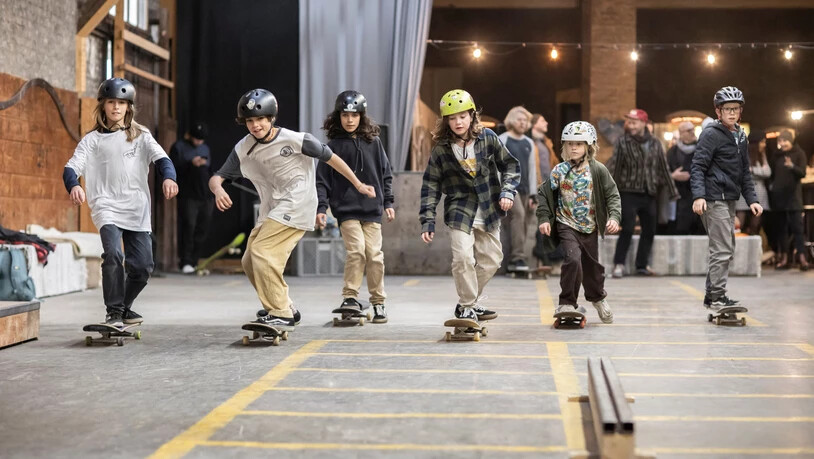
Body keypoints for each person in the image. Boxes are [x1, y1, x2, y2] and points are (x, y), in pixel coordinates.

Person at [209, 88, 376, 330]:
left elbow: (333, 159)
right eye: (250, 121)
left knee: (262, 252)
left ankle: (281, 312)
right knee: (248, 260)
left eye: (260, 120)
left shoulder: (297, 140)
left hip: (298, 204)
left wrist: (358, 184)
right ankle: (286, 306)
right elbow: (217, 177)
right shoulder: (244, 148)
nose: (255, 126)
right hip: (272, 209)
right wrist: (218, 190)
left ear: (271, 118)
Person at [63, 77, 178, 327]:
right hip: (106, 206)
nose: (116, 107)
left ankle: (124, 307)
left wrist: (169, 178)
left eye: (121, 103)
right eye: (111, 102)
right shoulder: (91, 140)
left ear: (129, 107)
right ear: (103, 106)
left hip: (137, 208)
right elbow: (71, 167)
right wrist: (73, 185)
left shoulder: (141, 136)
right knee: (113, 254)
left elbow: (163, 160)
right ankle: (114, 311)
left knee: (143, 267)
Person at [419, 89, 519, 326]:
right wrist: (427, 219)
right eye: (452, 118)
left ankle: (470, 301)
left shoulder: (488, 138)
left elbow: (511, 166)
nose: (458, 122)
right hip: (460, 209)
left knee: (492, 260)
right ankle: (466, 306)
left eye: (462, 116)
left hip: (489, 207)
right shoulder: (441, 150)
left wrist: (507, 191)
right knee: (463, 257)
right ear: (446, 121)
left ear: (472, 116)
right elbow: (431, 185)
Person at [316, 90, 395, 323]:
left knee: (375, 256)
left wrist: (388, 201)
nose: (349, 120)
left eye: (354, 115)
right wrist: (322, 208)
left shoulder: (374, 142)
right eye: (344, 115)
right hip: (347, 210)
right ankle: (350, 297)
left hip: (372, 210)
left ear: (362, 116)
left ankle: (378, 303)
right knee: (357, 251)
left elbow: (385, 174)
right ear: (338, 116)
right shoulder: (332, 147)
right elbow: (322, 180)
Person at [536, 121, 621, 324]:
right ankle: (567, 302)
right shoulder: (559, 170)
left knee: (591, 268)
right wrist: (544, 219)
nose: (574, 148)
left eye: (579, 144)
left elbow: (612, 195)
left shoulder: (598, 170)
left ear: (589, 146)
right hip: (566, 224)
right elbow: (543, 194)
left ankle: (598, 298)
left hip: (590, 226)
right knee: (573, 260)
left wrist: (614, 217)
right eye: (570, 143)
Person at [690, 86, 763, 309]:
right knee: (722, 249)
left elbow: (744, 172)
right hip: (713, 198)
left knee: (726, 248)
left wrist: (752, 199)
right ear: (718, 111)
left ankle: (712, 295)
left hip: (729, 198)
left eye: (736, 108)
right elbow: (698, 166)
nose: (732, 113)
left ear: (740, 111)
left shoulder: (741, 135)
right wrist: (699, 196)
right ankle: (716, 297)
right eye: (727, 109)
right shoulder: (711, 134)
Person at [608, 108, 678, 277]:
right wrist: (609, 192)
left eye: (634, 122)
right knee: (628, 228)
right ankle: (619, 264)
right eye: (629, 122)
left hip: (649, 192)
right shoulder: (622, 142)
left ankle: (641, 265)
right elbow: (615, 168)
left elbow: (663, 168)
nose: (630, 125)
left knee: (649, 230)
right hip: (628, 192)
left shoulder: (655, 142)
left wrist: (672, 191)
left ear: (643, 123)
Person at [170, 121, 213, 273]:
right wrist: (191, 164)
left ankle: (195, 261)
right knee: (188, 226)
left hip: (205, 194)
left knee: (203, 227)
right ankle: (185, 261)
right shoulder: (179, 147)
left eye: (201, 140)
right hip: (188, 194)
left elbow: (210, 169)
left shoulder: (205, 148)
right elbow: (173, 169)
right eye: (196, 139)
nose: (198, 142)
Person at [498, 106, 537, 272]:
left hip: (525, 189)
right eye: (520, 119)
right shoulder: (503, 139)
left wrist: (533, 194)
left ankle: (513, 261)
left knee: (524, 222)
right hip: (508, 189)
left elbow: (532, 169)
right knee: (519, 216)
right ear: (512, 121)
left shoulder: (529, 143)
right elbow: (497, 165)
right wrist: (499, 191)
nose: (523, 123)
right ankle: (518, 258)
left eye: (525, 120)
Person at [769, 130, 808, 271]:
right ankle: (784, 259)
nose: (783, 143)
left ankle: (803, 259)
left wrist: (792, 166)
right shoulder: (776, 156)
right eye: (780, 141)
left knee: (798, 229)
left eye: (785, 141)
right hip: (779, 198)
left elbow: (802, 173)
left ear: (791, 141)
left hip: (794, 198)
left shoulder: (799, 153)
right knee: (782, 230)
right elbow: (772, 174)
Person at [666, 121, 704, 235]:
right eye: (689, 130)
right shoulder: (672, 152)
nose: (692, 132)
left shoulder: (702, 149)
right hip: (678, 199)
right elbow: (663, 172)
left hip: (698, 196)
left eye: (693, 129)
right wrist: (673, 176)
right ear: (681, 133)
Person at [735, 131, 771, 236]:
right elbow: (741, 172)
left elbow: (767, 172)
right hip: (744, 194)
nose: (764, 145)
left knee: (755, 225)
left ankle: (752, 249)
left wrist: (753, 170)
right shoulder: (743, 154)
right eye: (762, 142)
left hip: (759, 194)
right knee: (739, 224)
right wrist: (756, 172)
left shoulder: (762, 156)